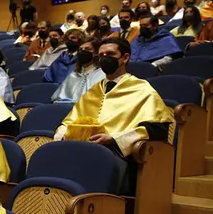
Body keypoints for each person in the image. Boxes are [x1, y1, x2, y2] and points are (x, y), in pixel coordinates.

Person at [54, 38, 173, 193]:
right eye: (101, 54)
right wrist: (62, 134)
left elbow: (156, 129)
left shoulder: (142, 89)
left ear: (125, 57)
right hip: (84, 149)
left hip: (118, 154)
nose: (104, 58)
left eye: (110, 54)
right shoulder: (94, 90)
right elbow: (69, 121)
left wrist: (114, 139)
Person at [52, 37, 105, 103]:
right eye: (80, 49)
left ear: (96, 53)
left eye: (87, 49)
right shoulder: (73, 74)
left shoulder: (102, 74)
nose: (83, 51)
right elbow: (58, 98)